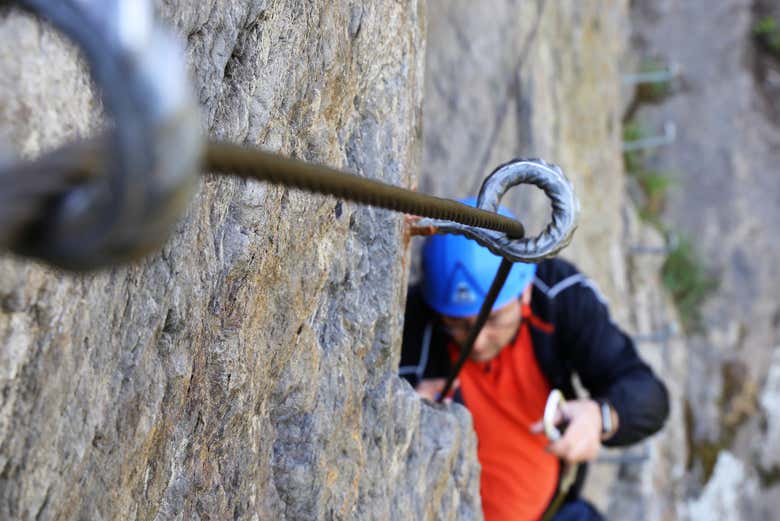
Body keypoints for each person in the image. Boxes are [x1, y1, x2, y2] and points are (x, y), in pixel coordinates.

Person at [399, 201, 669, 521]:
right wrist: (403, 415)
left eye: (495, 319)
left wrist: (601, 416)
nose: (478, 341)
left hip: (557, 512)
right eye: (458, 324)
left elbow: (648, 396)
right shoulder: (410, 327)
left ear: (524, 292)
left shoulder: (557, 297)